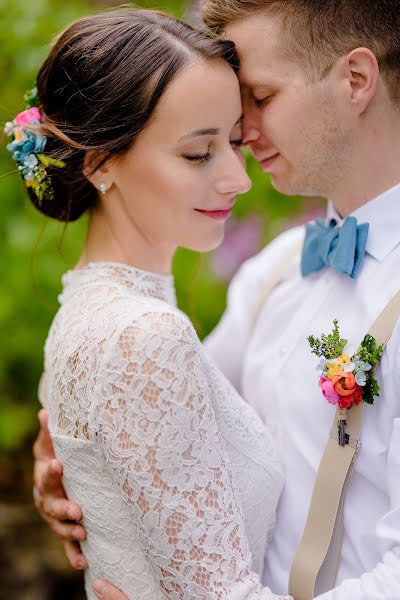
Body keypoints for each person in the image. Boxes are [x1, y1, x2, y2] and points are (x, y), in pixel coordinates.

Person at [34, 0, 400, 599]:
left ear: (355, 81)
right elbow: (157, 413)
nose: (245, 134)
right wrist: (77, 476)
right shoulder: (273, 273)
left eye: (260, 97)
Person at [8, 6, 295, 600]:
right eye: (198, 153)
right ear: (100, 163)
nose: (238, 179)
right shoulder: (143, 336)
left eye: (235, 144)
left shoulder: (90, 315)